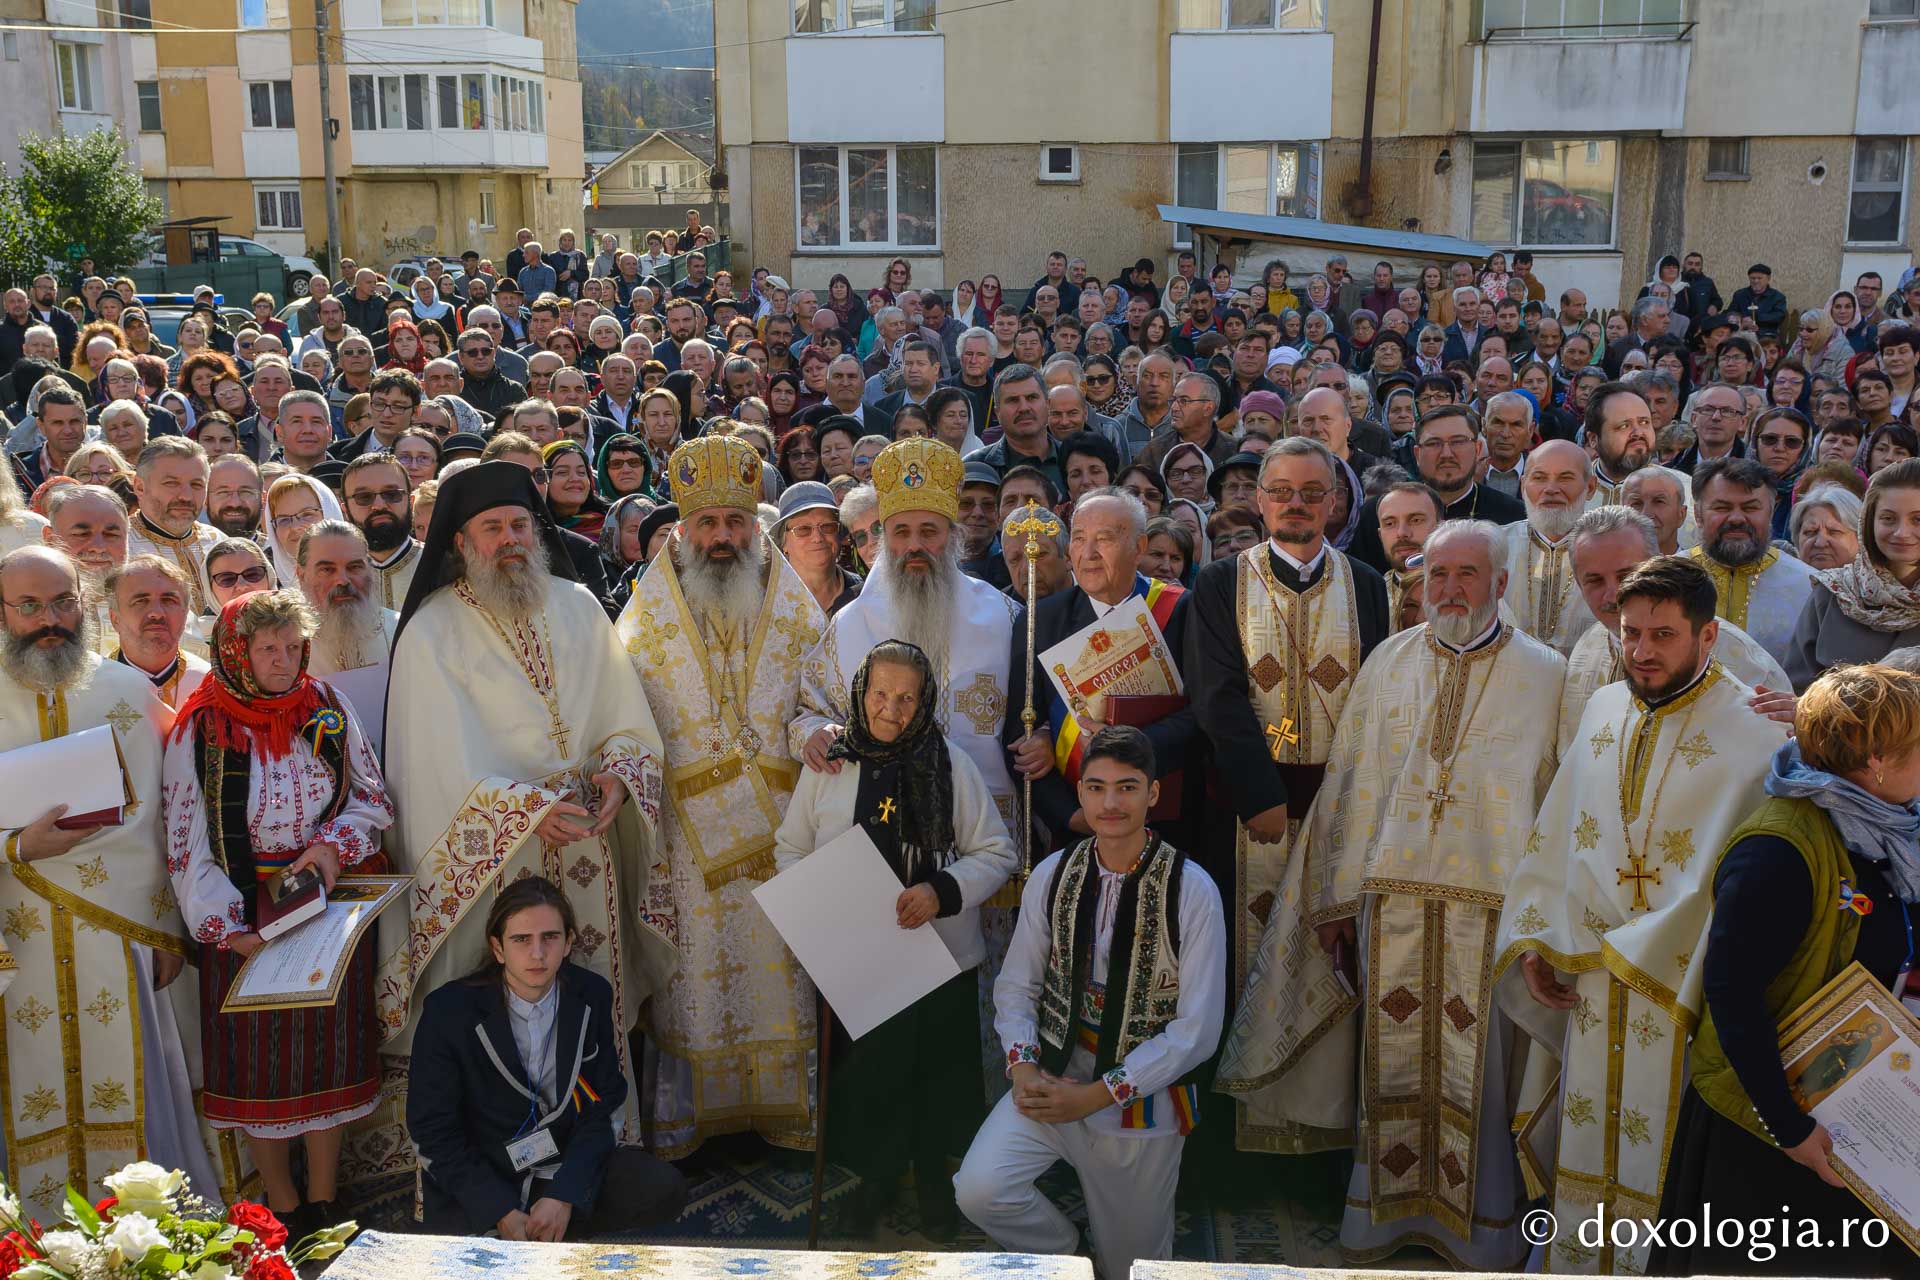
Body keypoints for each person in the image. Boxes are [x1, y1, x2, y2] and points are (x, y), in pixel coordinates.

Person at [1221, 519, 1565, 1269]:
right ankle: (1386, 1219)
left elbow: (1559, 800)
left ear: (1501, 583)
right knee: (1393, 1061)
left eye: (1468, 575)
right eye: (1436, 576)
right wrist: (1336, 905)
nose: (1449, 591)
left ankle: (1481, 1228)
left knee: (1488, 1080)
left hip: (1494, 911)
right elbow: (1349, 789)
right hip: (1391, 909)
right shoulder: (1388, 662)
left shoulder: (1549, 673)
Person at [1493, 556, 1790, 1276]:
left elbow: (1757, 881)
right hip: (1593, 986)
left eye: (1663, 634)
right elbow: (1558, 837)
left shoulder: (1757, 731)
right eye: (1631, 634)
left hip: (1687, 996)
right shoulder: (1602, 708)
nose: (1643, 652)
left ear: (1708, 635)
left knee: (1671, 1159)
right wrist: (1537, 938)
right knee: (1589, 1139)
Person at [378, 461, 672, 1146]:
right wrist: (527, 810)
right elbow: (432, 764)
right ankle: (503, 1159)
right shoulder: (431, 629)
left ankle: (602, 1145)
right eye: (492, 528)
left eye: (518, 524)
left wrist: (621, 775)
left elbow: (627, 718)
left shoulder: (576, 605)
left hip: (588, 840)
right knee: (504, 1002)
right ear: (461, 542)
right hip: (500, 862)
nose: (509, 539)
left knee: (591, 987)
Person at [1651, 664, 1920, 1277]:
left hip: (1864, 1111)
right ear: (1877, 760)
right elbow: (1733, 994)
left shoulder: (1896, 829)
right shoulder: (1778, 849)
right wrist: (1789, 1128)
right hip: (1774, 1137)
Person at [614, 436, 823, 1158]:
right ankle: (691, 1124)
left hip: (779, 832)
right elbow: (623, 716)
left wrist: (808, 735)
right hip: (686, 842)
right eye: (709, 525)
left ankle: (782, 1114)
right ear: (684, 530)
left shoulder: (796, 611)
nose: (723, 538)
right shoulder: (645, 618)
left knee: (779, 965)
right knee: (697, 974)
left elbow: (819, 700)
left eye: (736, 523)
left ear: (756, 528)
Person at [162, 589, 394, 1237]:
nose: (285, 661)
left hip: (323, 905)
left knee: (329, 1054)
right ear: (236, 653)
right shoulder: (202, 727)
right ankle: (283, 1203)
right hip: (242, 919)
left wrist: (330, 846)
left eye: (294, 647)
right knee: (260, 1068)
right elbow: (186, 842)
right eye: (268, 649)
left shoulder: (324, 708)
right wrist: (227, 931)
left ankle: (325, 1198)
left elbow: (370, 799)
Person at [954, 725, 1225, 1278]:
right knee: (979, 1191)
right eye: (1097, 787)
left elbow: (1195, 1031)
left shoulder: (1192, 890)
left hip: (1137, 1103)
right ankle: (1066, 1257)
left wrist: (1100, 1095)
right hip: (1055, 1077)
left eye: (1127, 788)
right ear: (1079, 794)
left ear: (1153, 794)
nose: (1110, 803)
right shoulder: (1055, 875)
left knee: (1135, 1269)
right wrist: (1024, 1068)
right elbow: (1017, 985)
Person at [0, 545, 221, 1219]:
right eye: (30, 607)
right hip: (15, 937)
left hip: (119, 936)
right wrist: (15, 845)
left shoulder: (127, 694)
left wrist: (164, 932)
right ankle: (29, 1243)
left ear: (85, 605)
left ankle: (141, 1238)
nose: (50, 622)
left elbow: (171, 821)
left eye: (63, 603)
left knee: (130, 1091)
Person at [1185, 436, 1389, 1149]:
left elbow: (1375, 697)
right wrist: (1258, 794)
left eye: (1312, 493)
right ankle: (1237, 1155)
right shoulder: (1218, 583)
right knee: (1243, 969)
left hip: (1340, 816)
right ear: (1258, 499)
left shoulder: (1367, 583)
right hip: (1247, 819)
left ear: (1335, 502)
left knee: (1330, 968)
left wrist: (1348, 806)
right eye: (1281, 492)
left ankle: (1323, 1148)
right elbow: (1216, 695)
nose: (1296, 506)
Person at [775, 641, 1016, 1236]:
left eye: (906, 698)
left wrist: (940, 889)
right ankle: (877, 1179)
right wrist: (821, 906)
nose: (890, 710)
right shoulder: (830, 765)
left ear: (925, 700)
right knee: (872, 1081)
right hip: (859, 957)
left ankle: (936, 1183)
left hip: (939, 956)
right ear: (860, 693)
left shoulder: (951, 765)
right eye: (880, 694)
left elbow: (997, 853)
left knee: (937, 1077)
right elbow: (790, 847)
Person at [796, 438, 1038, 866]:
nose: (914, 546)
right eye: (901, 532)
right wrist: (816, 733)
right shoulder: (851, 623)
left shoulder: (1005, 615)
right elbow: (809, 710)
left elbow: (1040, 710)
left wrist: (1046, 740)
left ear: (953, 535)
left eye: (929, 531)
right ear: (883, 537)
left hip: (983, 827)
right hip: (882, 825)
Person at [407, 875, 688, 1240]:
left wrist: (565, 1194)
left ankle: (554, 1230)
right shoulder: (449, 1012)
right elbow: (432, 1131)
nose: (537, 954)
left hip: (558, 1164)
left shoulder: (591, 996)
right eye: (521, 940)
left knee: (662, 1188)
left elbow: (602, 1106)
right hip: (484, 1173)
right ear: (497, 948)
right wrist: (500, 1210)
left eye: (550, 938)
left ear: (569, 941)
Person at [1027, 488, 1195, 846]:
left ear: (1139, 548)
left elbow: (1204, 713)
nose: (1088, 554)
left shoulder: (1180, 610)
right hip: (1075, 827)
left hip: (1165, 820)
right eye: (1079, 539)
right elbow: (1022, 732)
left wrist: (1127, 747)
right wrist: (1068, 815)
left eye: (1104, 538)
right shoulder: (1042, 619)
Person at [1559, 507, 1789, 756]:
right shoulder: (1586, 649)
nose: (1613, 594)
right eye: (1594, 580)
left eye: (1626, 575)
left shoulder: (1746, 662)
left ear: (1659, 564)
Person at [1785, 458, 1920, 689]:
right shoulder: (1833, 593)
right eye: (1888, 518)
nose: (1901, 532)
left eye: (1918, 519)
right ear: (1869, 522)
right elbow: (1794, 690)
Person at [1689, 457, 1816, 662]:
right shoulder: (1668, 578)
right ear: (1698, 514)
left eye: (1750, 508)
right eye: (1722, 508)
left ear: (1771, 512)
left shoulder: (1809, 586)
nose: (1737, 518)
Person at [1500, 439, 1598, 655]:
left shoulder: (1610, 550)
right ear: (1524, 485)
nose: (1551, 489)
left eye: (1565, 478)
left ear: (1590, 487)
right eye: (1539, 478)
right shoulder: (1495, 546)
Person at [126, 436, 224, 618]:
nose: (186, 496)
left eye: (196, 485)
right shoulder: (119, 545)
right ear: (140, 487)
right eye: (171, 483)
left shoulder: (219, 541)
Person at [106, 554, 209, 710]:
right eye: (140, 601)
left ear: (185, 613)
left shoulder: (209, 685)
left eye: (169, 600)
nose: (156, 613)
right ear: (115, 619)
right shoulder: (91, 689)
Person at [342, 451, 424, 609]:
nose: (379, 505)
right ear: (345, 510)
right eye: (364, 497)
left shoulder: (443, 567)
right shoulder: (336, 577)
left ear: (411, 501)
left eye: (392, 494)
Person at [773, 480, 860, 615]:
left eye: (827, 526)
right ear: (783, 543)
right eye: (803, 529)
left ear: (839, 534)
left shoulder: (865, 593)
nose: (817, 538)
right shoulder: (767, 601)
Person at [1375, 480, 1441, 630]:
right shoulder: (1366, 598)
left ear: (1441, 528)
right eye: (1390, 523)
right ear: (1380, 535)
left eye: (1416, 520)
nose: (1402, 533)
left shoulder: (1471, 593)